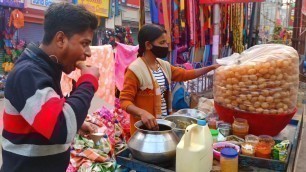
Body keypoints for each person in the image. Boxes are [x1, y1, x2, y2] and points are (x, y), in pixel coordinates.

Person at [1, 3, 100, 172]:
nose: (88, 52)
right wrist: (88, 81)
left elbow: (47, 116)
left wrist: (75, 121)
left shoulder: (48, 69)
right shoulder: (28, 73)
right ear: (60, 39)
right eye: (84, 43)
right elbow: (61, 128)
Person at [120, 24, 220, 135]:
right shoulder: (135, 70)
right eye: (162, 43)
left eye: (166, 43)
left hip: (163, 125)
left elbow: (186, 74)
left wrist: (211, 67)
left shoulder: (163, 66)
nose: (166, 46)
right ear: (148, 45)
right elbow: (124, 101)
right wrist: (142, 113)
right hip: (144, 130)